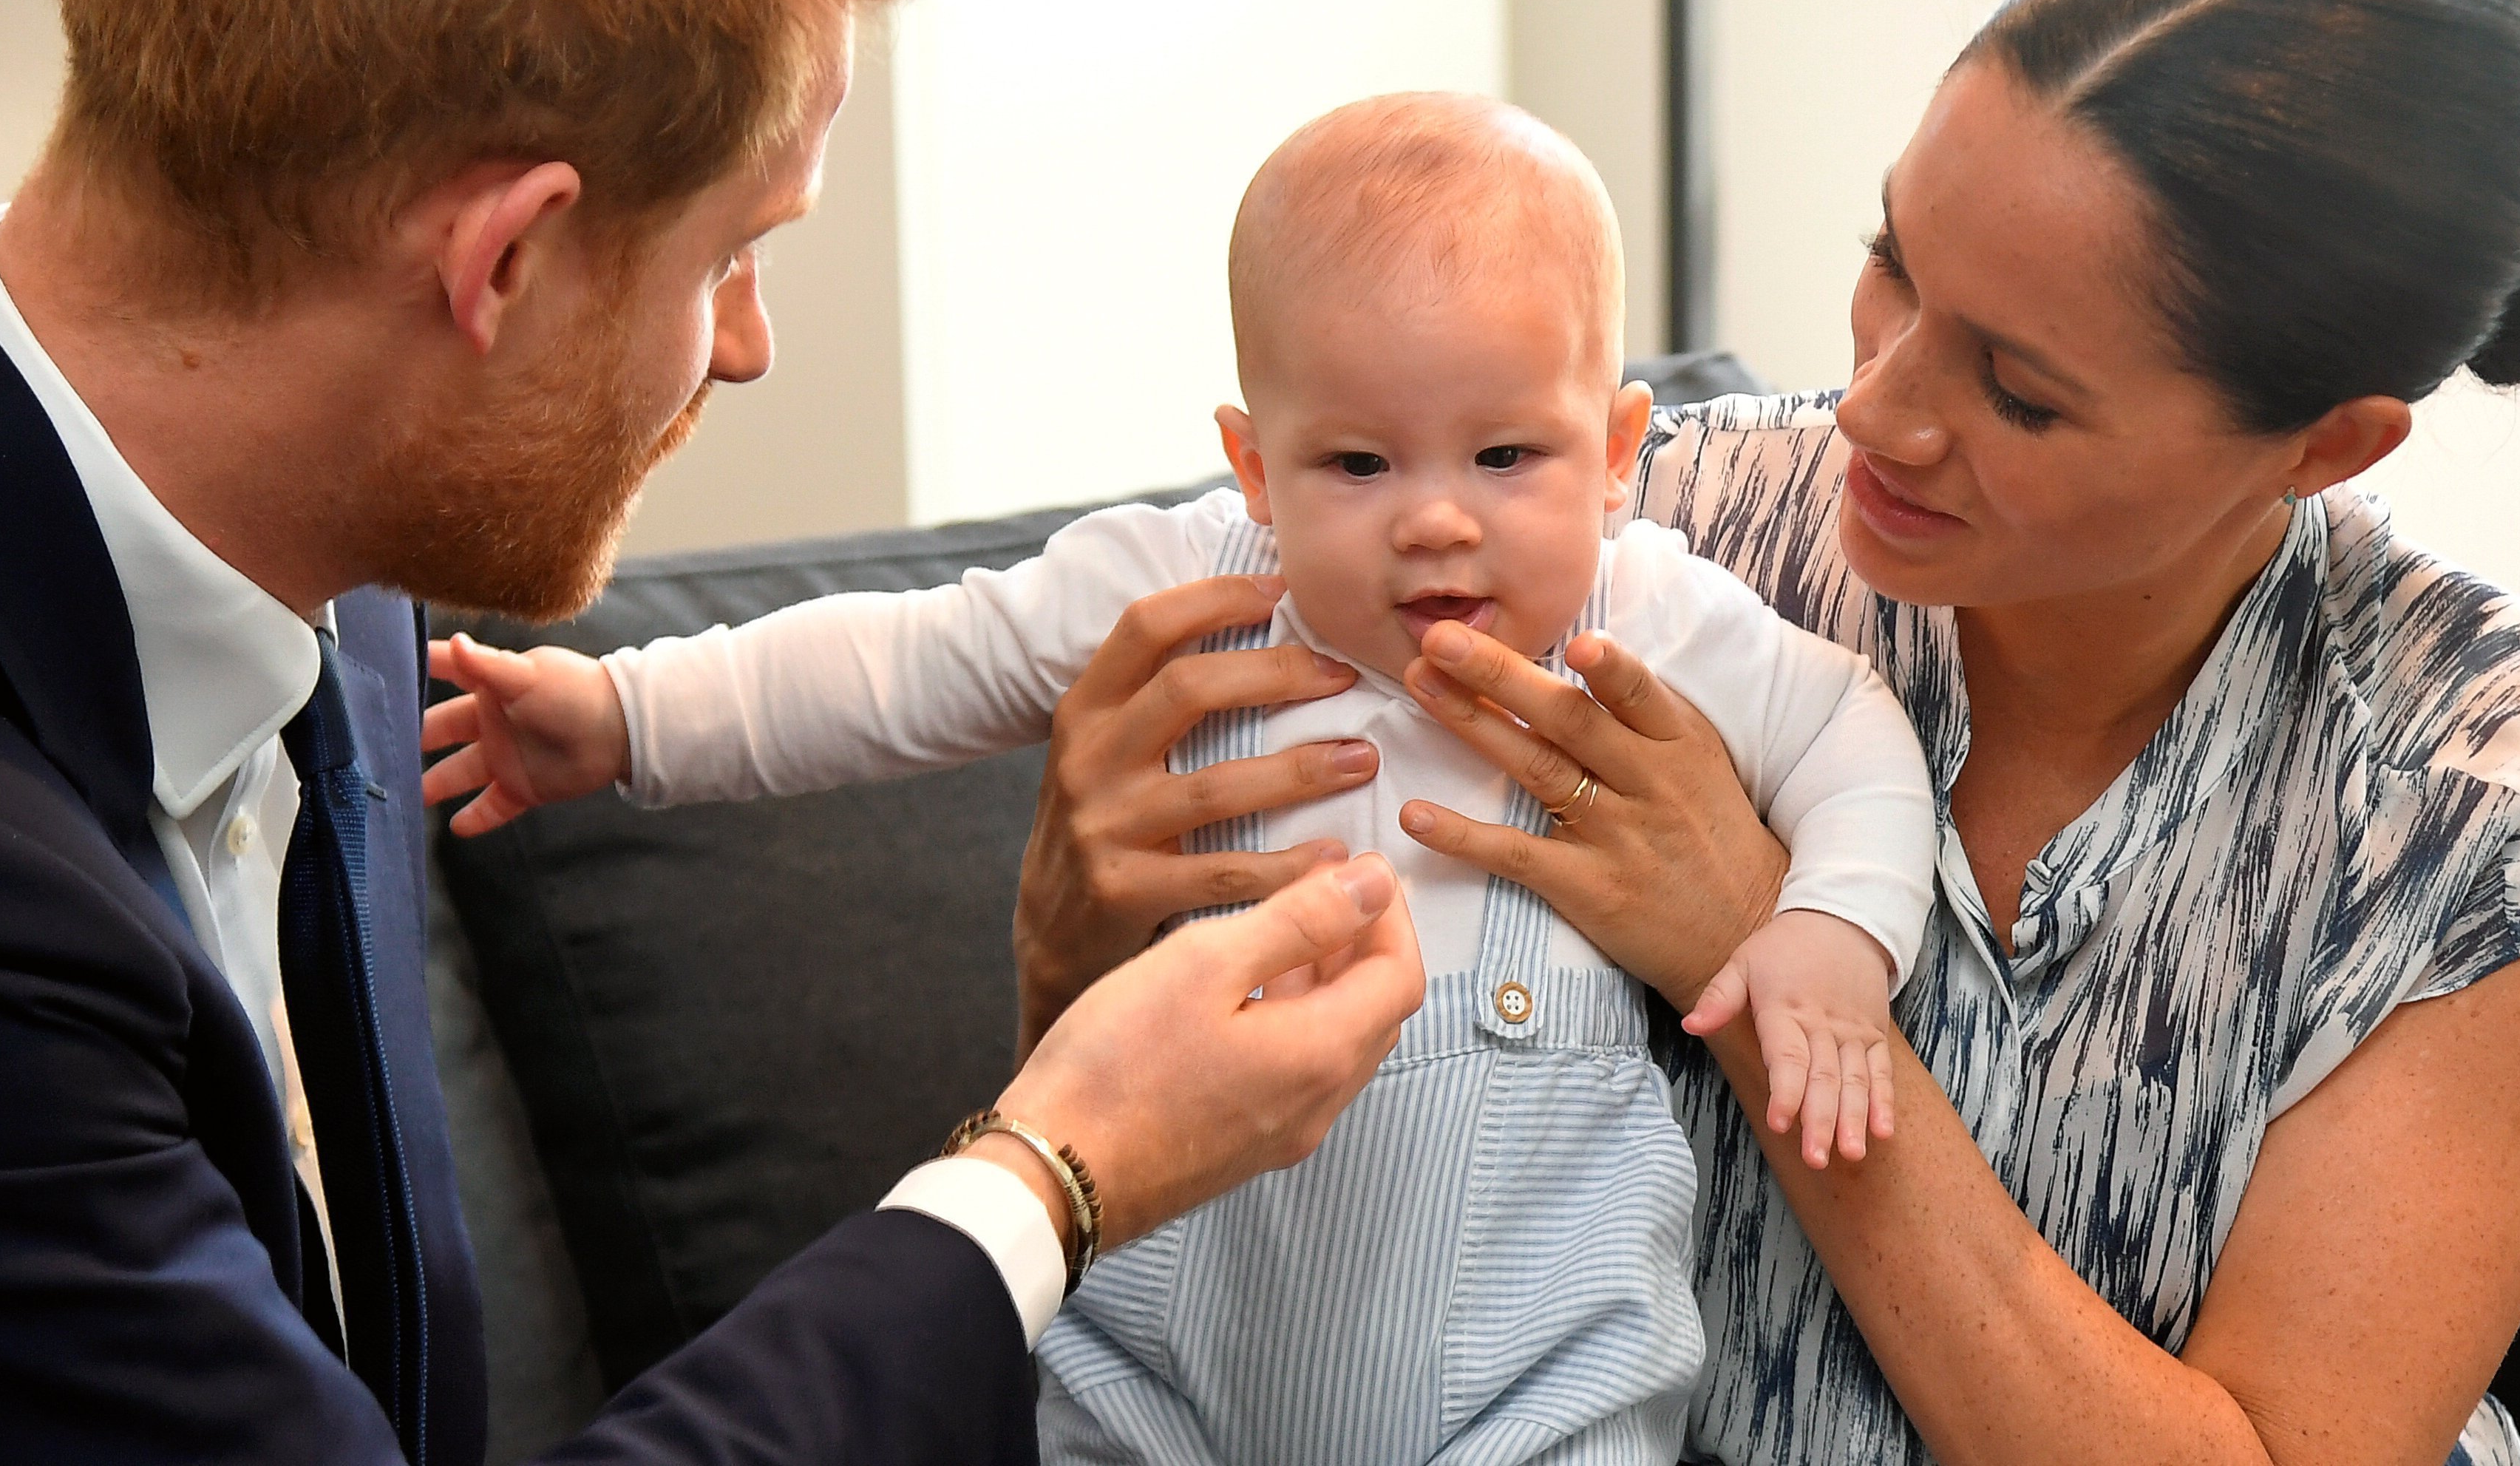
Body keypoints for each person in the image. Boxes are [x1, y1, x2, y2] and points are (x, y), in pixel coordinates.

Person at [0, 0, 1424, 1466]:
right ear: (508, 259)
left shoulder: (344, 556)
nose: (746, 344)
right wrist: (1058, 1170)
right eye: (734, 252)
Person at [1011, 0, 2520, 1464]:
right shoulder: (1639, 537)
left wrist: (1765, 960)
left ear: (2325, 445)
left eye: (2019, 391)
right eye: (1892, 261)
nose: (1877, 410)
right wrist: (1073, 934)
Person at [420, 90, 1941, 1465]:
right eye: (1358, 465)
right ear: (1254, 464)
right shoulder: (1183, 587)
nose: (1436, 525)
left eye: (1505, 459)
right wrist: (622, 717)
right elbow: (906, 664)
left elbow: (1853, 739)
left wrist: (1827, 941)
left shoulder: (1656, 616)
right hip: (1167, 1383)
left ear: (1615, 454)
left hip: (1535, 1397)